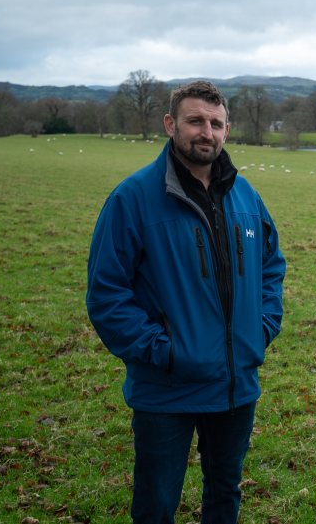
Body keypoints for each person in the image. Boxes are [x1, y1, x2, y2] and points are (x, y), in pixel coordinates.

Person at [86, 80, 286, 523]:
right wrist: (165, 351)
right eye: (196, 121)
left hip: (236, 385)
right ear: (170, 124)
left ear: (227, 130)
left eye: (216, 124)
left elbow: (271, 266)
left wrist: (262, 326)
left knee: (224, 494)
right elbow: (106, 294)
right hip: (166, 389)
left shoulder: (246, 196)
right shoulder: (132, 199)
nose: (206, 133)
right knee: (157, 504)